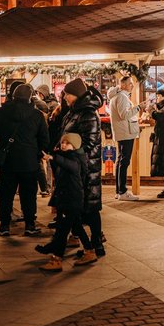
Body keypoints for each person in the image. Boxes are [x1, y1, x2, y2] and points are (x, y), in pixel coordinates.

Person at [0, 83, 49, 237]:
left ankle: (4, 225)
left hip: (7, 162)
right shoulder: (37, 115)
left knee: (6, 194)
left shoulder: (0, 113)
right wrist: (37, 153)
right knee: (28, 194)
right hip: (29, 162)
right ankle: (30, 224)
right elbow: (44, 140)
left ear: (13, 96)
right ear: (30, 98)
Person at [59, 78, 106, 258]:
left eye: (67, 95)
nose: (64, 98)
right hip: (75, 165)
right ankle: (87, 243)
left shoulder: (88, 113)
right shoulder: (74, 112)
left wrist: (70, 149)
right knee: (79, 206)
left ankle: (96, 244)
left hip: (86, 167)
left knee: (91, 207)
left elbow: (89, 141)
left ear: (76, 95)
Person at [35, 132, 96, 270]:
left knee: (62, 231)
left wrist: (53, 157)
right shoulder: (66, 157)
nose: (63, 145)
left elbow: (71, 166)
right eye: (62, 142)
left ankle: (56, 259)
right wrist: (51, 158)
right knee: (76, 227)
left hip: (72, 199)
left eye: (67, 143)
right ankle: (89, 251)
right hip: (66, 198)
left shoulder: (76, 157)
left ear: (74, 145)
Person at [109, 75, 143, 201]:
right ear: (122, 85)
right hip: (126, 132)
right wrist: (139, 107)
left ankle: (119, 190)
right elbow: (124, 115)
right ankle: (122, 191)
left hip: (122, 131)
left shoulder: (117, 97)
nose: (132, 85)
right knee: (124, 161)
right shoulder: (122, 97)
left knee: (121, 161)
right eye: (130, 83)